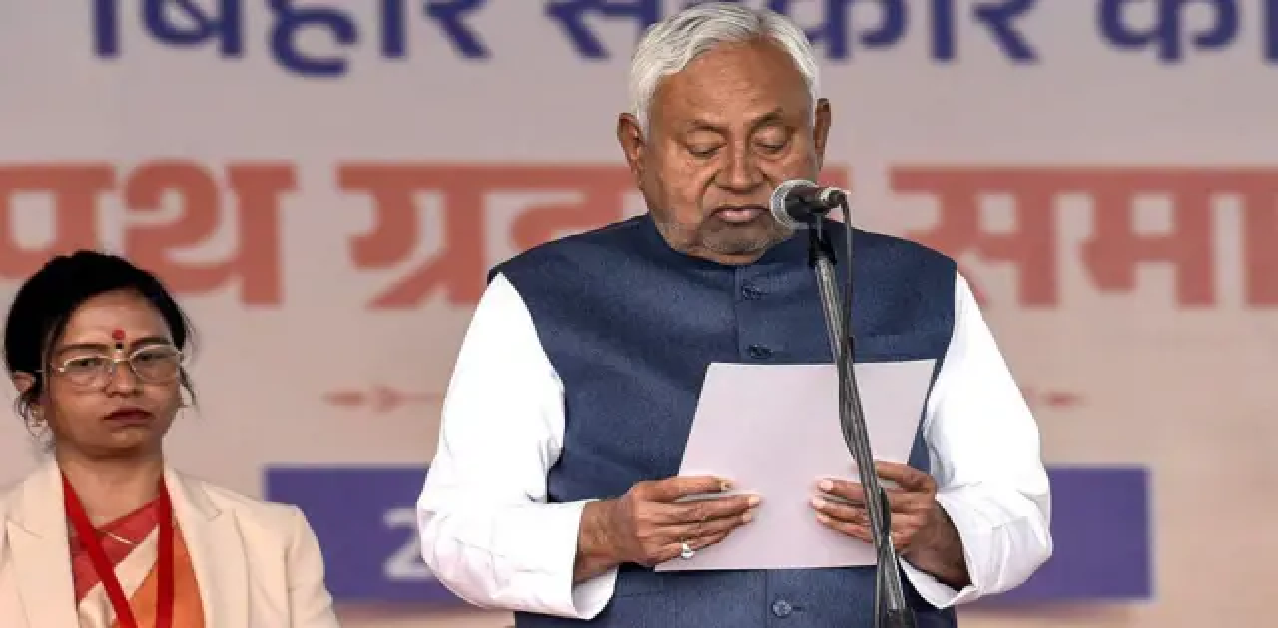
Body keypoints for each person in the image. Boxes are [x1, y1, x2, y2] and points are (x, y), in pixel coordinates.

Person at [415, 3, 1052, 627]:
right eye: (702, 148)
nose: (742, 174)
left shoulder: (919, 285)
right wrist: (607, 532)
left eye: (772, 142)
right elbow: (457, 532)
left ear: (818, 133)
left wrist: (934, 531)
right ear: (636, 147)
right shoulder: (542, 294)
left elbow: (1019, 510)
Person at [0, 251, 341, 628]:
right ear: (32, 393)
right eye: (87, 363)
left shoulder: (269, 539)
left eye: (149, 357)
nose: (126, 384)